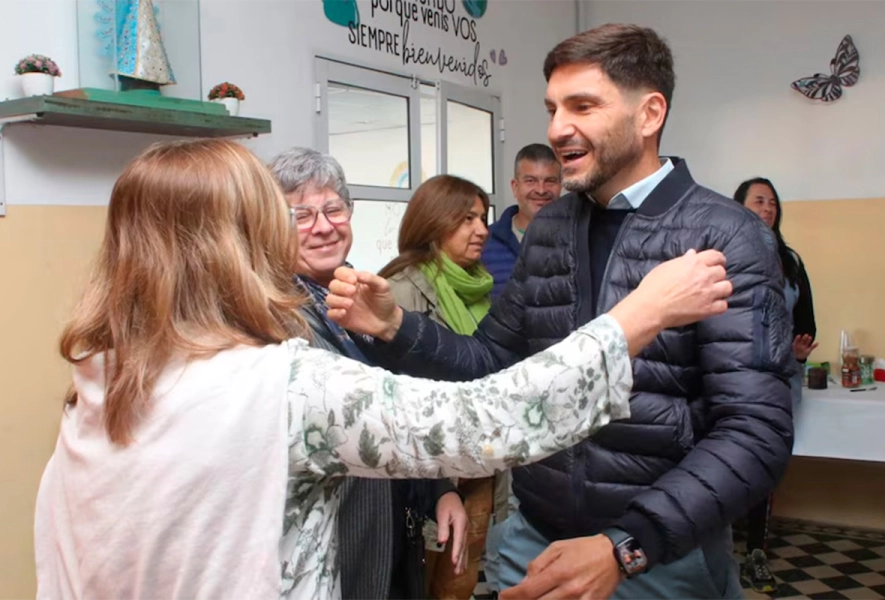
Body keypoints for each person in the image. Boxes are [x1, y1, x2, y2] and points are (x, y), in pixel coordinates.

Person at [33, 138, 732, 600]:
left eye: (330, 208)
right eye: (281, 217)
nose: (308, 228)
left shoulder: (101, 372)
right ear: (241, 242)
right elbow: (488, 420)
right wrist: (639, 315)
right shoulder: (282, 385)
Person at [326, 23, 795, 600]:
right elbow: (494, 361)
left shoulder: (727, 234)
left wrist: (627, 546)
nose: (556, 129)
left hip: (659, 557)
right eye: (552, 108)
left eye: (582, 106)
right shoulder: (551, 228)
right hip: (534, 541)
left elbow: (755, 431)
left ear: (649, 114)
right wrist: (396, 326)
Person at [267, 147, 467, 599]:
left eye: (333, 208)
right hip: (336, 552)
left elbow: (399, 409)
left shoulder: (360, 292)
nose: (323, 226)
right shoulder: (274, 320)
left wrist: (439, 489)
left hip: (392, 535)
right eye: (301, 215)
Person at [378, 174, 497, 599]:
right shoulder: (397, 290)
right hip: (429, 474)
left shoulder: (479, 288)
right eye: (467, 219)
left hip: (481, 467)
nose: (481, 229)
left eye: (482, 218)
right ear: (434, 222)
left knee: (458, 586)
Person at [734, 176, 817, 593]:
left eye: (772, 202)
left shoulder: (790, 261)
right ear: (739, 207)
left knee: (767, 462)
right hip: (734, 376)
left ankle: (755, 551)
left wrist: (800, 350)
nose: (767, 209)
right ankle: (713, 548)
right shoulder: (721, 253)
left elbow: (806, 321)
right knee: (728, 458)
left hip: (781, 378)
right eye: (758, 201)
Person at [481, 143, 561, 299]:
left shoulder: (576, 240)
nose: (541, 190)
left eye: (550, 181)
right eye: (531, 181)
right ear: (515, 187)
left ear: (560, 185)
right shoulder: (484, 243)